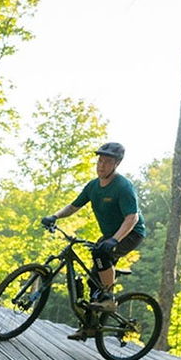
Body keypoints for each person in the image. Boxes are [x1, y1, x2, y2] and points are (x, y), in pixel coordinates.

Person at [41, 141, 146, 339]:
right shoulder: (93, 186)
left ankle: (109, 298)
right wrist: (54, 216)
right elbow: (73, 207)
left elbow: (132, 218)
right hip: (110, 235)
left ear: (117, 164)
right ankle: (89, 326)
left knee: (101, 253)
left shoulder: (123, 186)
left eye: (107, 161)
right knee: (92, 281)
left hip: (131, 233)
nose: (101, 165)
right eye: (99, 160)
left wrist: (115, 240)